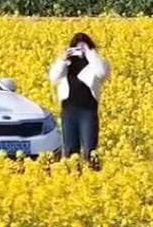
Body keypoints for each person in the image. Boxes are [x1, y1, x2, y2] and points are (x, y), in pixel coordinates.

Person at [47, 32, 110, 166]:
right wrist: (63, 59)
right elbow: (53, 77)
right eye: (76, 47)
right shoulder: (66, 65)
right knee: (70, 149)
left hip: (88, 111)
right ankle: (73, 179)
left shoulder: (96, 63)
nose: (79, 50)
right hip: (69, 112)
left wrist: (90, 53)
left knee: (90, 149)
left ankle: (92, 176)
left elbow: (102, 73)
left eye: (83, 46)